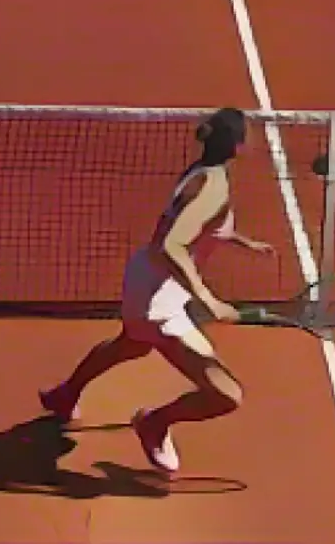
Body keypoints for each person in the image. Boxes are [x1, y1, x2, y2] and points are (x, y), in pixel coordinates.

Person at [38, 107, 273, 474]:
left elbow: (192, 226)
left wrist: (242, 241)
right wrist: (209, 300)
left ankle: (66, 394)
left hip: (144, 282)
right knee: (226, 395)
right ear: (238, 146)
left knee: (129, 344)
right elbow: (173, 245)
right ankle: (154, 423)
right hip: (160, 302)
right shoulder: (214, 187)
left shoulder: (201, 173)